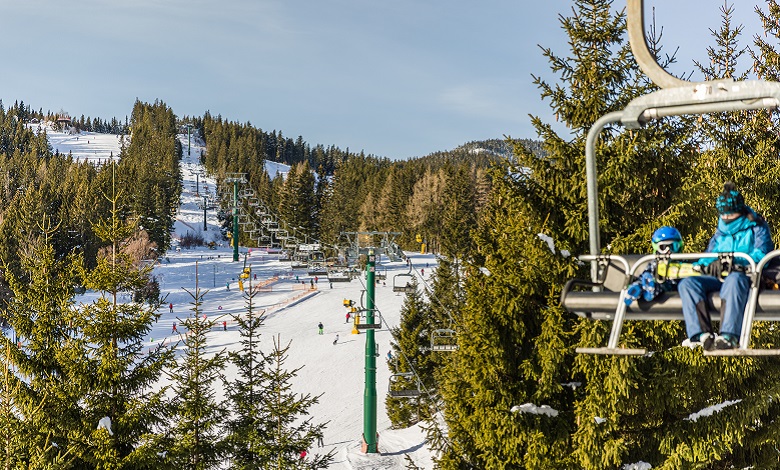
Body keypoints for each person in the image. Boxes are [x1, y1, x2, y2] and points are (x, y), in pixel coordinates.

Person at [679, 182, 774, 350]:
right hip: (718, 277)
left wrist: (735, 263)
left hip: (745, 277)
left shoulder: (757, 227)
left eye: (731, 216)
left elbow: (762, 254)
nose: (727, 219)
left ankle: (729, 336)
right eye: (724, 216)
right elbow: (709, 255)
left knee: (733, 279)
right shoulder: (720, 232)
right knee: (688, 283)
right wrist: (705, 266)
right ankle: (701, 334)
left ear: (740, 211)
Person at [624, 226, 684, 305]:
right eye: (663, 247)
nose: (668, 251)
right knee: (646, 276)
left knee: (661, 284)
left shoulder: (682, 263)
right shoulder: (655, 263)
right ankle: (637, 288)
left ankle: (651, 289)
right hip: (656, 279)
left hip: (672, 286)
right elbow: (647, 271)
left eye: (673, 247)